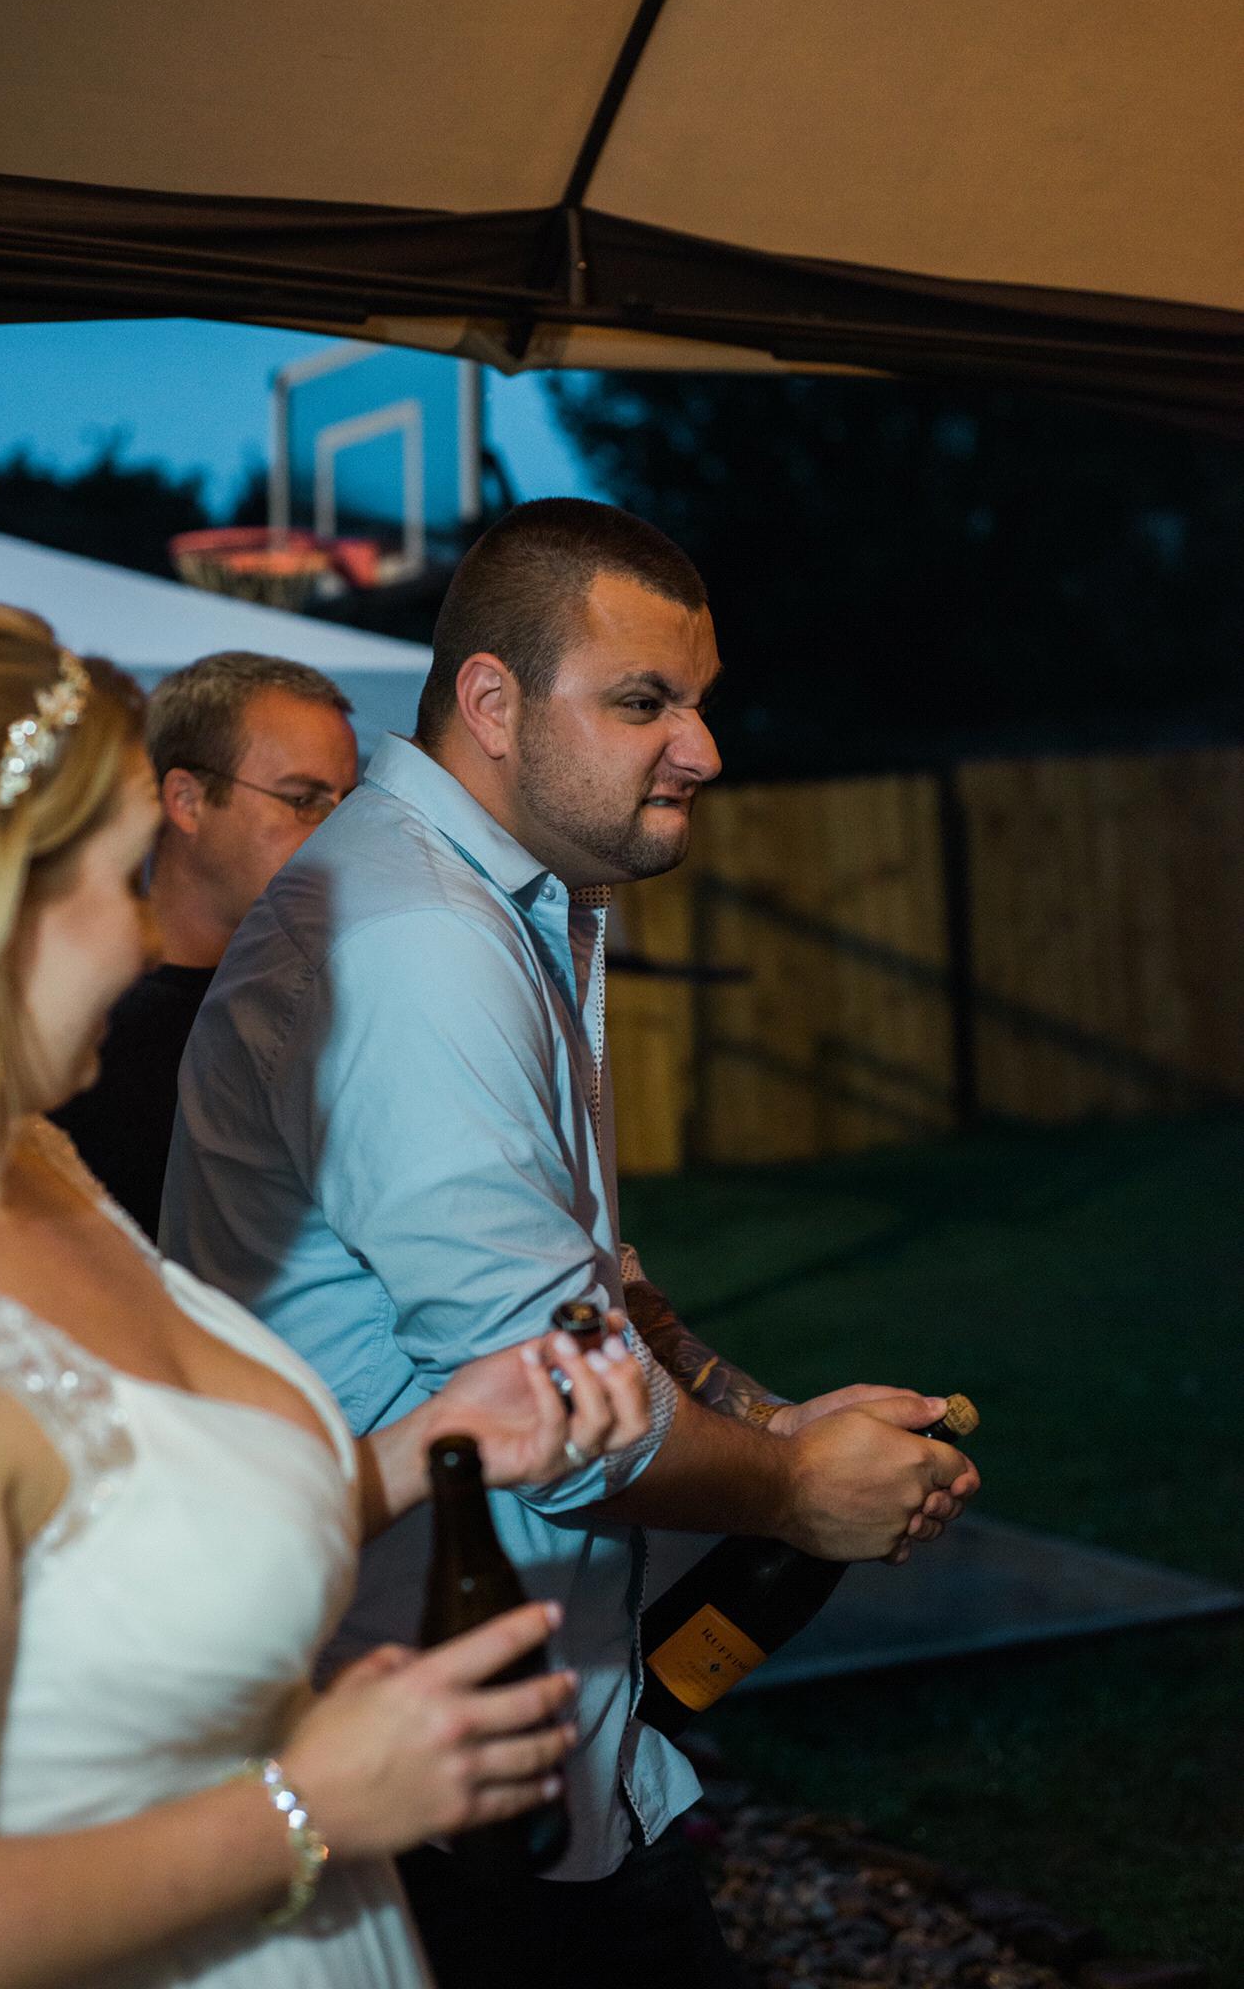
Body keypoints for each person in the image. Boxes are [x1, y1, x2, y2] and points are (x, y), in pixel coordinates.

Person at [163, 500, 980, 1989]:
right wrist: (794, 1490)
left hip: (520, 1730)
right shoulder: (413, 935)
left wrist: (767, 1422)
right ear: (491, 701)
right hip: (422, 1758)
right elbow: (550, 1397)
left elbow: (595, 1289)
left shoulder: (487, 901)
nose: (701, 749)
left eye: (698, 702)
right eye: (643, 702)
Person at [0, 595, 652, 1988]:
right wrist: (309, 1806)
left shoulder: (38, 1165)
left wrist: (436, 1445)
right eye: (121, 879)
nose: (146, 934)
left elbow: (141, 1527)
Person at [52, 650, 359, 1236]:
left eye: (350, 802)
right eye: (304, 800)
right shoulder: (80, 1027)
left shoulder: (332, 1000)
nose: (342, 834)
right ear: (186, 802)